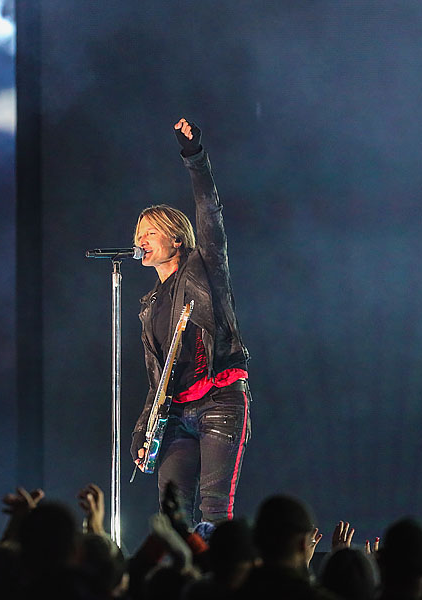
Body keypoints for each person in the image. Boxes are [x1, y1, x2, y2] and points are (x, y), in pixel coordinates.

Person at [130, 117, 252, 525]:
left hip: (219, 400)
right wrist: (142, 429)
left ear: (176, 238)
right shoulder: (149, 305)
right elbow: (157, 377)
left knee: (215, 511)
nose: (140, 240)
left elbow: (209, 211)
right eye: (137, 235)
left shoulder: (205, 268)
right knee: (172, 516)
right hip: (176, 415)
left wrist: (194, 157)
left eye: (150, 232)